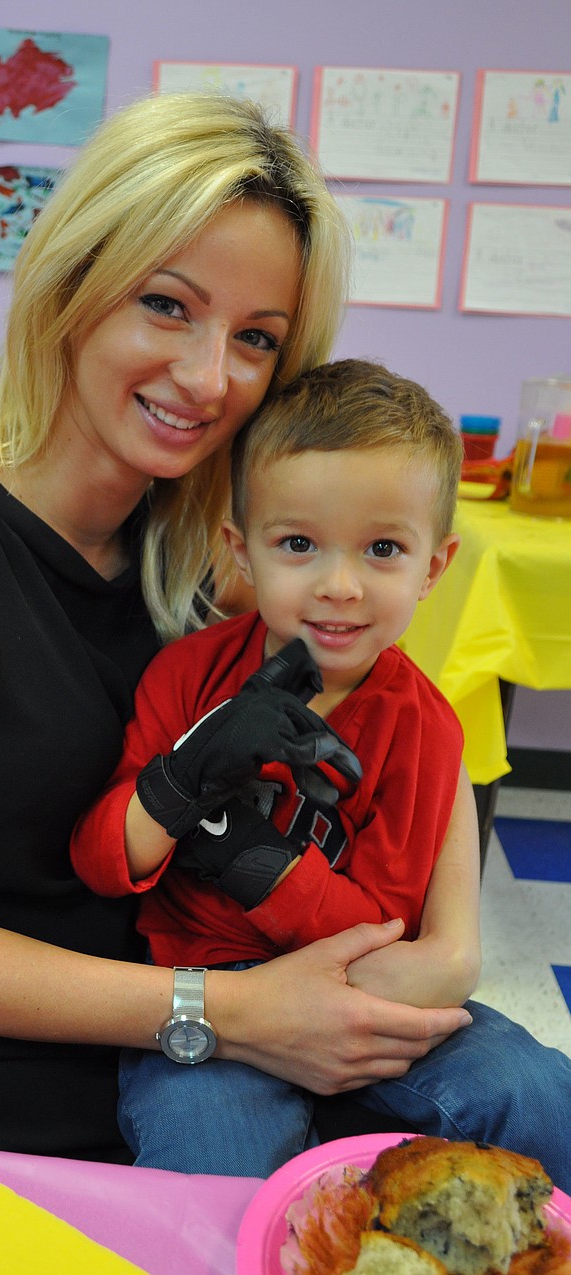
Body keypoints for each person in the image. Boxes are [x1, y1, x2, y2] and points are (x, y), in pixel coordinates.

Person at [0, 93, 473, 1164]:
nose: (208, 377)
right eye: (166, 305)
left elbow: (399, 717)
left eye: (256, 339)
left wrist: (454, 945)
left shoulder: (221, 559)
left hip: (241, 1044)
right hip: (3, 1097)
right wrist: (218, 1011)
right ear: (72, 285)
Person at [71, 358, 571, 1187]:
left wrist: (249, 859)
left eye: (383, 549)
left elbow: (380, 926)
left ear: (434, 566)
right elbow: (99, 860)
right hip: (208, 992)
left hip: (364, 989)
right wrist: (179, 782)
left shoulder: (424, 726)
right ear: (243, 550)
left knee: (541, 1095)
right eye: (298, 544)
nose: (339, 585)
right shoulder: (187, 675)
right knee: (212, 1167)